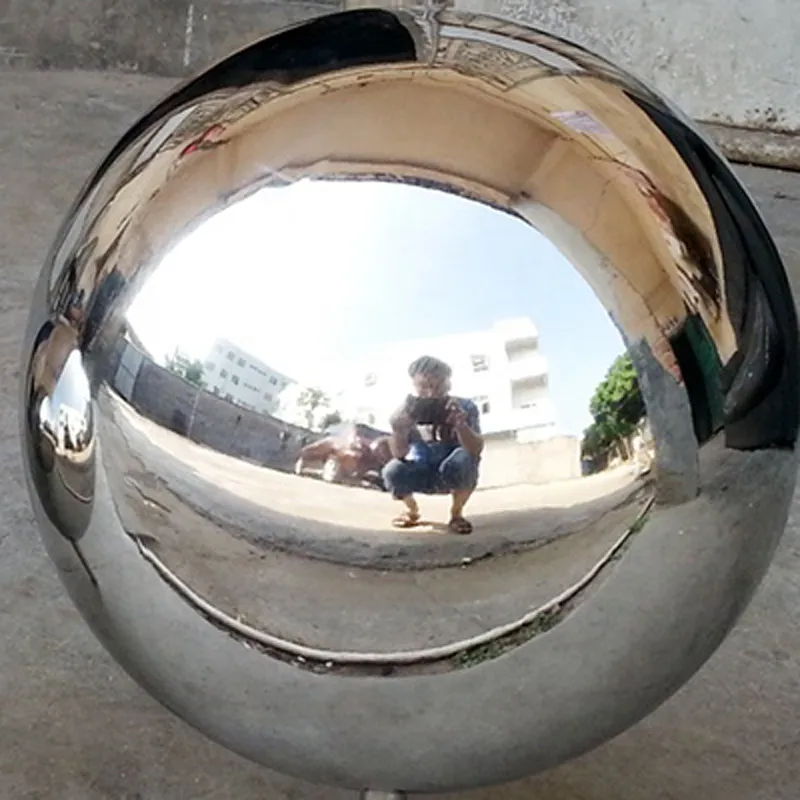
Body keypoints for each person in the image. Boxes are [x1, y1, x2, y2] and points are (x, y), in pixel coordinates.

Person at [382, 355, 483, 535]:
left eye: (437, 387)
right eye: (423, 387)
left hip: (453, 471)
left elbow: (476, 449)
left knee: (465, 459)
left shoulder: (464, 407)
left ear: (448, 384)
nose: (430, 393)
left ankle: (456, 513)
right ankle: (412, 510)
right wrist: (398, 431)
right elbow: (399, 454)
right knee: (392, 470)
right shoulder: (406, 411)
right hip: (422, 471)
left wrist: (461, 425)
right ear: (414, 385)